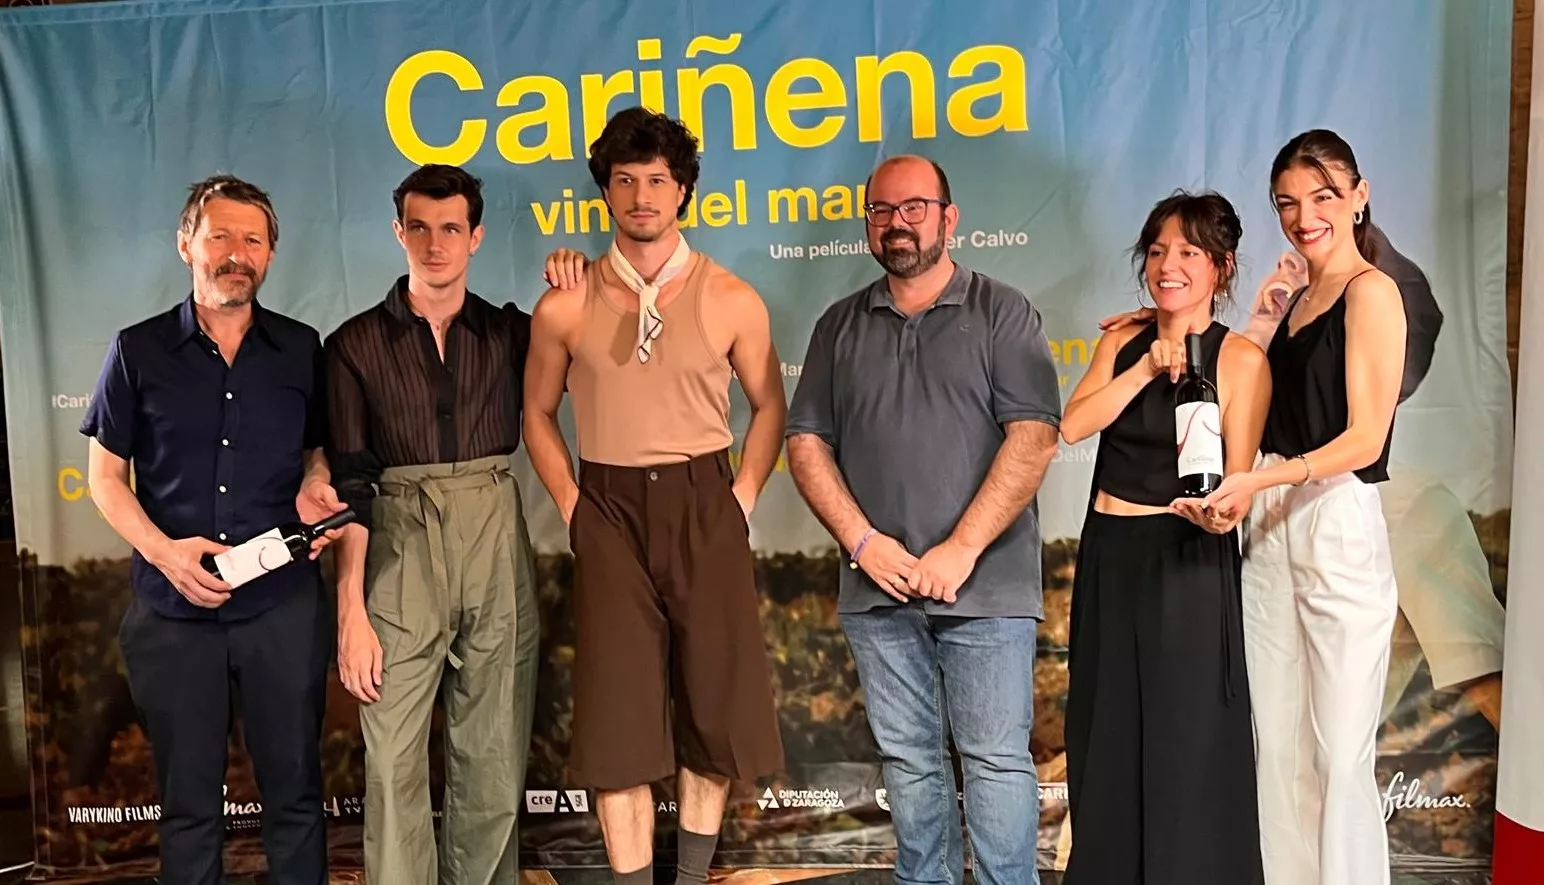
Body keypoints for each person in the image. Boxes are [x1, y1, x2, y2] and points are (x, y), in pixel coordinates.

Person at [524, 106, 786, 885]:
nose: (642, 195)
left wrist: (738, 498)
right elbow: (536, 413)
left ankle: (694, 876)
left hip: (704, 500)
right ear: (604, 191)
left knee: (712, 708)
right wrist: (573, 505)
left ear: (684, 193)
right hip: (607, 508)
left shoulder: (733, 296)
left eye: (658, 181)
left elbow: (771, 405)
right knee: (619, 724)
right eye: (625, 180)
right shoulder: (565, 303)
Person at [782, 154, 1061, 885]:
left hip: (985, 588)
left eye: (913, 207)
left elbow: (1032, 437)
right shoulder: (838, 326)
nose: (897, 222)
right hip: (878, 590)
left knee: (995, 758)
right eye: (881, 210)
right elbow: (805, 443)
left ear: (948, 216)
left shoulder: (1003, 311)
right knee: (909, 759)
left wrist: (961, 549)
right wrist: (864, 543)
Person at [81, 174, 343, 885]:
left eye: (252, 239)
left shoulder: (301, 348)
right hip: (172, 613)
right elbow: (105, 477)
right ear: (186, 244)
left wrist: (317, 480)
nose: (237, 252)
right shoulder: (137, 350)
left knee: (295, 795)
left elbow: (317, 449)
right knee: (189, 805)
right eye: (220, 235)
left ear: (270, 254)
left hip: (282, 608)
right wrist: (166, 556)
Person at [1200, 129, 1406, 885]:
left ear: (1359, 195)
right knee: (1278, 745)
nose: (1304, 215)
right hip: (1271, 524)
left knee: (1340, 750)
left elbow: (1364, 438)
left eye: (1322, 196)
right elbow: (1241, 406)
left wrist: (1265, 479)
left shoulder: (1371, 291)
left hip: (1335, 514)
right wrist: (1261, 319)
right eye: (1287, 202)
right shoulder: (1291, 303)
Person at [325, 164, 540, 885]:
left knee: (494, 745)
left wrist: (582, 281)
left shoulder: (512, 331)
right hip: (396, 534)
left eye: (452, 228)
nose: (436, 243)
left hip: (491, 525)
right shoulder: (353, 345)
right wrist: (351, 609)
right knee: (391, 755)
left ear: (476, 236)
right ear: (399, 232)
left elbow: (599, 346)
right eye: (420, 226)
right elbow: (351, 483)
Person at [1057, 191, 1269, 885]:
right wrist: (1147, 363)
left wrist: (1220, 516)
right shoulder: (1121, 341)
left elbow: (1236, 481)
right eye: (1156, 251)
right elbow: (1074, 424)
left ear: (1222, 266)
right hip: (1111, 561)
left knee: (1185, 742)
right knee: (1107, 733)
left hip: (1187, 562)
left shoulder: (1241, 361)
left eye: (1187, 252)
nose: (1168, 265)